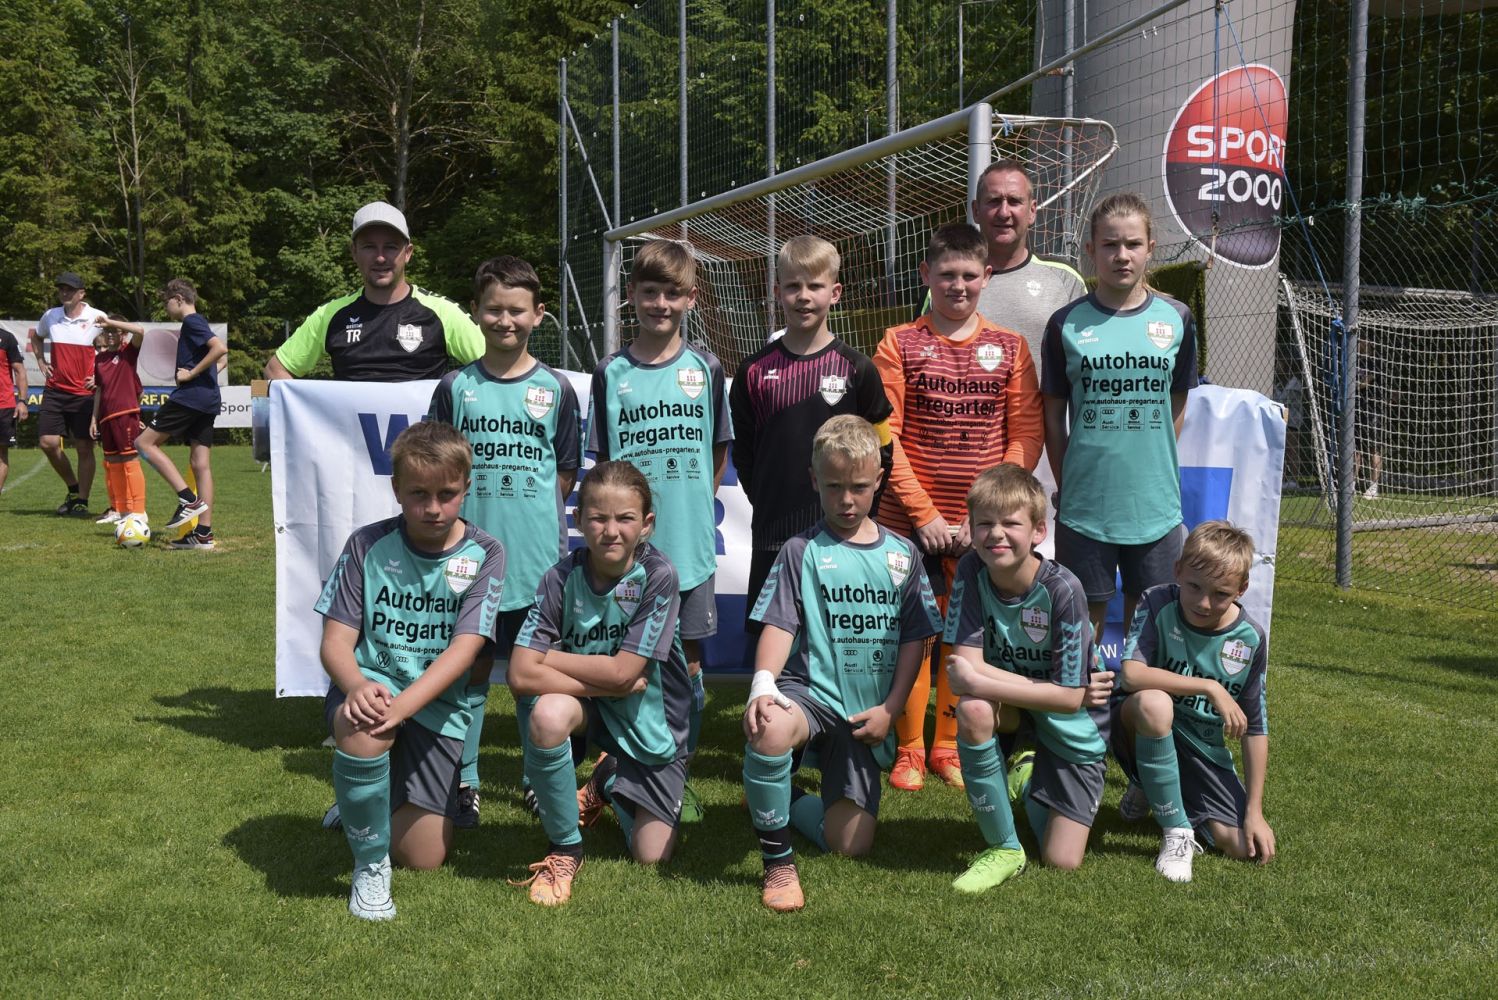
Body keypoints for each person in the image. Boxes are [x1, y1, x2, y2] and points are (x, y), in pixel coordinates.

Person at [743, 415, 941, 912]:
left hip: (865, 714)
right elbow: (780, 625)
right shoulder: (800, 551)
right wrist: (763, 685)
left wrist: (891, 709)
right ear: (814, 481)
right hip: (809, 695)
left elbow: (915, 640)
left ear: (879, 480)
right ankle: (778, 862)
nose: (846, 500)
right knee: (769, 728)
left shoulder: (903, 554)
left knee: (850, 844)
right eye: (834, 487)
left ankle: (782, 798)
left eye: (858, 487)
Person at [874, 221, 1043, 792]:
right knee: (913, 634)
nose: (959, 285)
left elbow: (1025, 434)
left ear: (987, 276)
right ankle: (910, 747)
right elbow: (885, 434)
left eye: (970, 275)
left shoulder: (1011, 347)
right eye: (947, 274)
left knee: (963, 635)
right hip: (908, 521)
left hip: (980, 527)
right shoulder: (898, 342)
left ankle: (948, 745)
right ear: (926, 274)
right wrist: (921, 513)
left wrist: (984, 514)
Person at [316, 420, 505, 920]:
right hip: (373, 686)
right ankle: (370, 866)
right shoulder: (366, 544)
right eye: (419, 494)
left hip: (435, 703)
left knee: (425, 856)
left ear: (466, 488)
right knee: (364, 727)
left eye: (447, 494)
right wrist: (357, 685)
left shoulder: (486, 553)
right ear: (397, 489)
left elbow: (464, 651)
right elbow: (335, 643)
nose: (433, 507)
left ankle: (361, 802)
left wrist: (402, 709)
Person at [427, 255, 582, 828]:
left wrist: (527, 517)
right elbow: (437, 469)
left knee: (529, 676)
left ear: (538, 314)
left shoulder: (556, 387)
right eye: (493, 309)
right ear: (475, 311)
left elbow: (564, 473)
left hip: (536, 563)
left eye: (517, 310)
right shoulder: (456, 387)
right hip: (466, 561)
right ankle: (464, 780)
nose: (505, 320)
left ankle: (537, 779)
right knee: (467, 671)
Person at [506, 460, 692, 906]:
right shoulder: (559, 578)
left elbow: (625, 673)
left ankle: (608, 780)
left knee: (651, 855)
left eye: (625, 518)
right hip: (590, 706)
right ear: (577, 520)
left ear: (646, 524)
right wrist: (606, 683)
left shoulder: (658, 575)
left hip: (650, 721)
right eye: (597, 518)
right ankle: (565, 849)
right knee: (548, 713)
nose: (611, 531)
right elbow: (519, 675)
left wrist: (549, 657)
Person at [588, 239, 731, 771]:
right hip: (628, 552)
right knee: (625, 657)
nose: (661, 304)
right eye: (650, 292)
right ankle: (619, 764)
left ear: (691, 298)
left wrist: (692, 505)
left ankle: (679, 767)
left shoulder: (707, 368)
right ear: (631, 294)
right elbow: (605, 465)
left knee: (688, 659)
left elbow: (717, 451)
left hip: (689, 547)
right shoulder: (610, 373)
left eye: (673, 293)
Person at [941, 464, 1113, 892]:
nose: (996, 534)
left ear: (1038, 531)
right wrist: (1057, 690)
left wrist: (980, 681)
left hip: (1073, 725)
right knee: (974, 710)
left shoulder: (1063, 589)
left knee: (1062, 860)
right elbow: (964, 664)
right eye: (984, 523)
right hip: (1021, 707)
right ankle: (1003, 848)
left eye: (1010, 523)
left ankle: (1029, 775)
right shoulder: (971, 570)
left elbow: (1070, 701)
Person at [1041, 192, 1198, 643]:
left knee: (1146, 619)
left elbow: (1176, 404)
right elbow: (1053, 418)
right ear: (1091, 250)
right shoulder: (1065, 324)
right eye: (1110, 245)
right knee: (1081, 622)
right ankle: (1083, 688)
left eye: (1132, 244)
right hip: (1086, 504)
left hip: (1154, 505)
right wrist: (1068, 482)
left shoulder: (1177, 318)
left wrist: (1153, 465)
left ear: (1151, 248)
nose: (1122, 255)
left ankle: (1133, 689)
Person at [729, 235, 893, 627]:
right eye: (792, 286)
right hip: (774, 531)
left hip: (843, 532)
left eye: (815, 286)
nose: (803, 296)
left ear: (835, 293)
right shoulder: (752, 372)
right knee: (772, 636)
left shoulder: (858, 369)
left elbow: (883, 450)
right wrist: (770, 500)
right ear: (777, 293)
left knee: (840, 634)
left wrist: (859, 510)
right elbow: (745, 456)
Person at [1112, 520, 1275, 883]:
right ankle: (1177, 831)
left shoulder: (1249, 638)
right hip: (1136, 723)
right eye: (1194, 587)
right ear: (1178, 572)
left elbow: (1255, 728)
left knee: (1241, 846)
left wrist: (1255, 811)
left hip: (1203, 748)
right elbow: (1132, 675)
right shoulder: (1157, 601)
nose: (1203, 602)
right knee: (1155, 704)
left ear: (1242, 589)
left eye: (1220, 594)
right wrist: (1208, 687)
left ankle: (1152, 785)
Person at [263, 201, 483, 382]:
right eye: (369, 247)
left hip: (423, 426)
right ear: (354, 252)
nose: (380, 257)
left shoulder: (443, 312)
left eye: (391, 247)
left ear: (408, 253)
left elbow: (497, 366)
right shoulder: (330, 314)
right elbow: (275, 371)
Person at [134, 279, 227, 549]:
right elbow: (221, 360)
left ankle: (188, 499)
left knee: (143, 443)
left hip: (190, 397)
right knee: (200, 464)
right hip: (208, 399)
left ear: (178, 298)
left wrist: (191, 373)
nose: (166, 308)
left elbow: (221, 349)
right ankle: (203, 534)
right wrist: (206, 374)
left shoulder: (192, 322)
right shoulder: (200, 322)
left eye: (166, 302)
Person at [970, 159, 1088, 367]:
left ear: (1032, 211)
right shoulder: (945, 283)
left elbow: (1090, 358)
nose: (1004, 212)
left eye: (1014, 201)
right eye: (994, 201)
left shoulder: (1066, 279)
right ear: (976, 211)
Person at [30, 272, 106, 515]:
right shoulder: (50, 316)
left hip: (84, 393)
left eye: (70, 290)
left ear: (81, 294)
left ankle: (82, 500)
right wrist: (41, 361)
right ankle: (73, 488)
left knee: (84, 448)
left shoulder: (97, 317)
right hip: (55, 390)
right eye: (61, 289)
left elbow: (111, 347)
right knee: (48, 442)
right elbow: (36, 338)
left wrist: (100, 377)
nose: (64, 293)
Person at [89, 318, 148, 525]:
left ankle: (139, 511)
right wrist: (94, 419)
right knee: (113, 463)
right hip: (106, 419)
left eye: (115, 331)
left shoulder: (127, 353)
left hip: (125, 415)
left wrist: (109, 321)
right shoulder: (100, 359)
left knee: (130, 461)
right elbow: (100, 391)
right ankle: (121, 510)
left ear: (122, 334)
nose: (111, 335)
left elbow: (140, 331)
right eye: (107, 331)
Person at [0, 325, 28, 496]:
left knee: (1, 453)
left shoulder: (6, 338)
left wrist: (22, 401)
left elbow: (19, 371)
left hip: (4, 405)